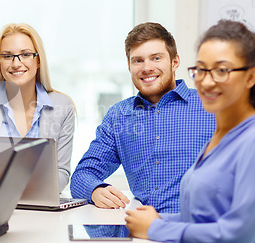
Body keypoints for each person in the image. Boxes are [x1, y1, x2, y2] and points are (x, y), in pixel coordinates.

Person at [126, 20, 255, 243]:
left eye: (222, 70)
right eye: (201, 70)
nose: (206, 82)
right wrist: (159, 220)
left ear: (251, 76)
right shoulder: (221, 137)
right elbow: (203, 220)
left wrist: (156, 228)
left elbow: (236, 236)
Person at [70, 22, 215, 213]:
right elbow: (82, 176)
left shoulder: (212, 106)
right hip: (145, 234)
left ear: (175, 61)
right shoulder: (119, 116)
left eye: (156, 58)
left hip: (201, 231)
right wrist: (96, 191)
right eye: (138, 61)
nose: (147, 68)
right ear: (129, 67)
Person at [0, 23, 75, 191]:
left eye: (25, 54)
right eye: (7, 56)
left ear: (38, 60)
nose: (16, 63)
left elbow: (61, 172)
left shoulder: (62, 107)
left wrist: (32, 193)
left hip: (41, 209)